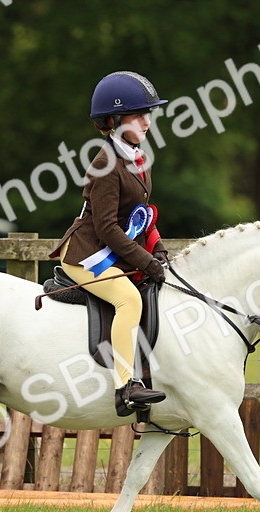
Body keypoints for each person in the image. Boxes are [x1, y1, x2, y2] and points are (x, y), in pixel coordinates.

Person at [52, 71, 171, 416]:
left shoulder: (136, 158)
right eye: (139, 115)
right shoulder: (104, 163)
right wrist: (146, 262)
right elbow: (106, 229)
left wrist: (157, 247)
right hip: (87, 255)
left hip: (111, 250)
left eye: (148, 114)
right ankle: (125, 387)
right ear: (115, 120)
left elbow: (141, 214)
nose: (148, 122)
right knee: (129, 300)